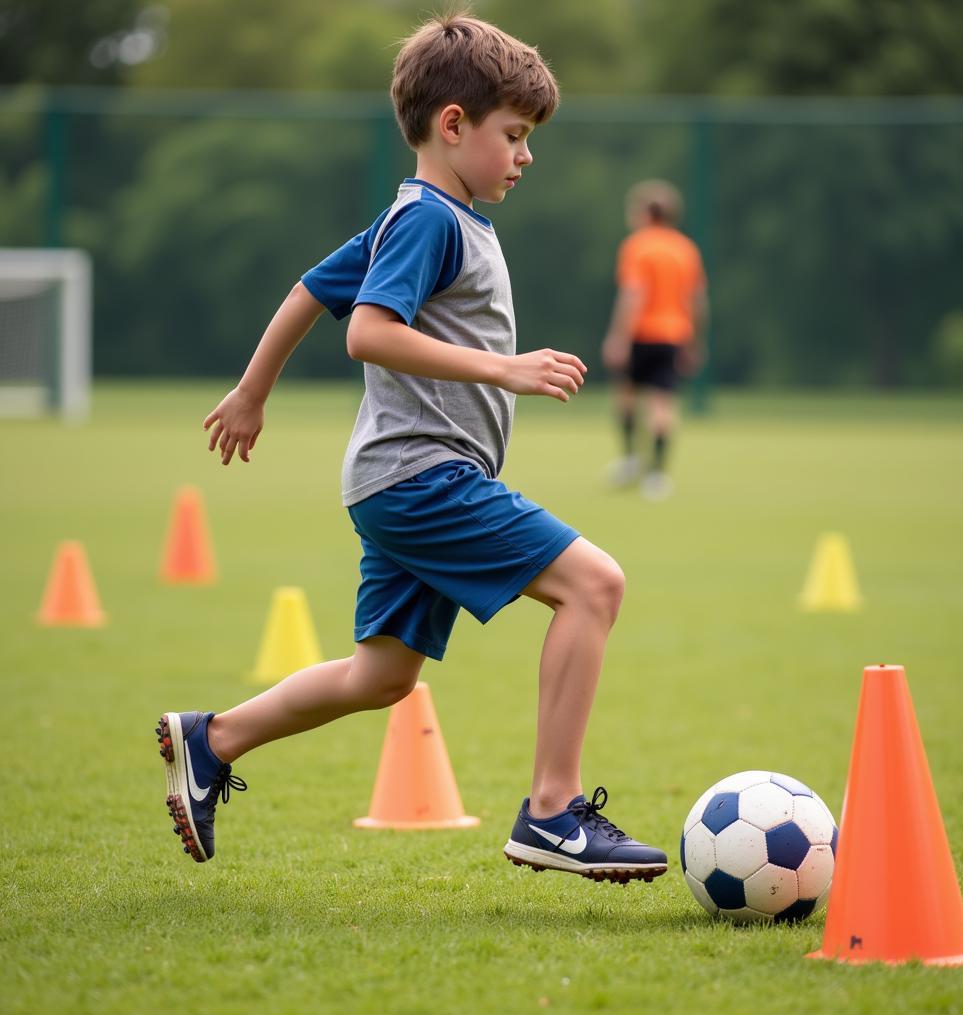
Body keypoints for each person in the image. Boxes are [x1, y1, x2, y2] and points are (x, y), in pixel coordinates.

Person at [156, 14, 667, 884]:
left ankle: (214, 739)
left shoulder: (430, 216)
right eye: (514, 135)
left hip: (398, 485)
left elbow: (311, 289)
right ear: (454, 125)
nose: (525, 155)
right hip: (422, 478)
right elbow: (366, 331)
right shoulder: (429, 218)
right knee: (594, 584)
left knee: (383, 676)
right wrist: (502, 369)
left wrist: (253, 389)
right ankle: (552, 812)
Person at [601, 180, 707, 500]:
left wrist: (618, 337)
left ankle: (632, 459)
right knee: (663, 404)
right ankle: (657, 475)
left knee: (627, 397)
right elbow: (696, 299)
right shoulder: (685, 248)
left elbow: (633, 294)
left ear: (647, 213)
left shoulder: (637, 246)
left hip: (641, 333)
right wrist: (695, 340)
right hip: (675, 334)